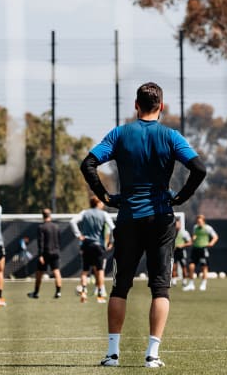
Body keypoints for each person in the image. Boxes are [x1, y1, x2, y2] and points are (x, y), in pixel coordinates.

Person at [80, 82, 206, 368]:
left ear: (136, 105)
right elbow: (199, 169)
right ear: (161, 106)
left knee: (120, 287)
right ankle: (153, 355)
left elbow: (87, 164)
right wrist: (181, 197)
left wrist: (105, 197)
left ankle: (113, 354)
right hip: (161, 218)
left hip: (128, 218)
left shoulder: (120, 134)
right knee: (160, 289)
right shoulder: (171, 136)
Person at [70, 196, 115, 304]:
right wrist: (111, 242)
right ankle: (100, 295)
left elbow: (72, 221)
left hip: (86, 244)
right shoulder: (104, 214)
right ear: (98, 203)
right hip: (98, 246)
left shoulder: (85, 213)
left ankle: (84, 293)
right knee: (100, 271)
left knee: (85, 271)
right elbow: (113, 228)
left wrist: (79, 235)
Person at [27, 208, 62, 299]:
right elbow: (58, 240)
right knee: (56, 271)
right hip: (55, 252)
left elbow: (41, 242)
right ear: (50, 215)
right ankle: (58, 292)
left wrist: (41, 255)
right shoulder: (56, 226)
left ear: (42, 216)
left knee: (39, 273)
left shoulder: (41, 227)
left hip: (45, 253)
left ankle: (36, 292)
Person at [184, 214, 218, 292]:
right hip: (195, 249)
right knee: (191, 266)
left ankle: (203, 284)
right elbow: (194, 236)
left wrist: (211, 243)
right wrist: (193, 238)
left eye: (200, 221)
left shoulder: (208, 228)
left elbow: (215, 237)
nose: (198, 223)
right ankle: (191, 284)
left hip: (203, 249)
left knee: (204, 267)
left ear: (203, 221)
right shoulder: (195, 227)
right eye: (197, 221)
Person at [171, 216, 192, 287]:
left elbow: (190, 242)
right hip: (174, 252)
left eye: (178, 223)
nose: (177, 225)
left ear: (180, 223)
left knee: (184, 267)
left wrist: (182, 245)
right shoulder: (171, 232)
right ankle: (174, 282)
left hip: (181, 252)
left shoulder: (184, 233)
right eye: (175, 223)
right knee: (173, 267)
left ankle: (184, 281)